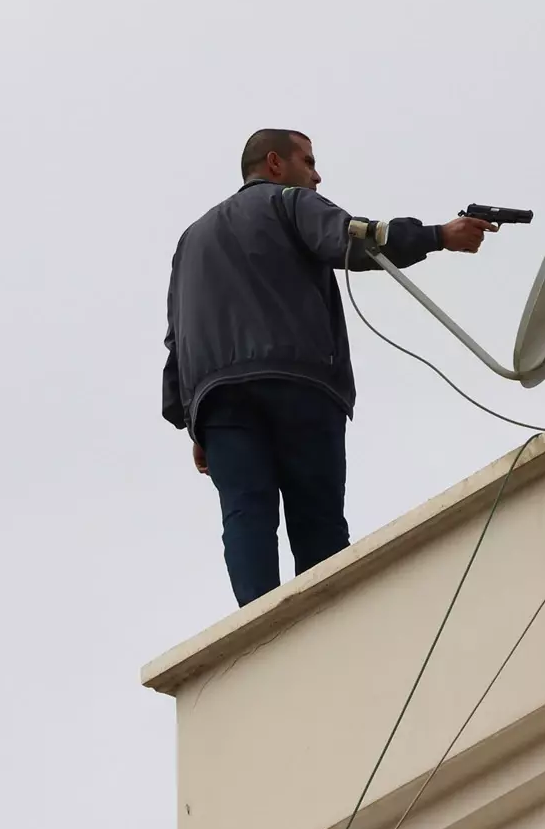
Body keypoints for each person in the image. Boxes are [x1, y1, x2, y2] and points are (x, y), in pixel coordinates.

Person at [162, 128, 497, 607]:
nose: (317, 176)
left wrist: (194, 422)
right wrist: (439, 236)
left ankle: (259, 627)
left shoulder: (190, 240)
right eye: (309, 161)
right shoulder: (289, 202)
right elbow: (355, 239)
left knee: (245, 512)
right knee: (316, 515)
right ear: (275, 164)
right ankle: (326, 626)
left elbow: (177, 336)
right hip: (299, 381)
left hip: (220, 401)